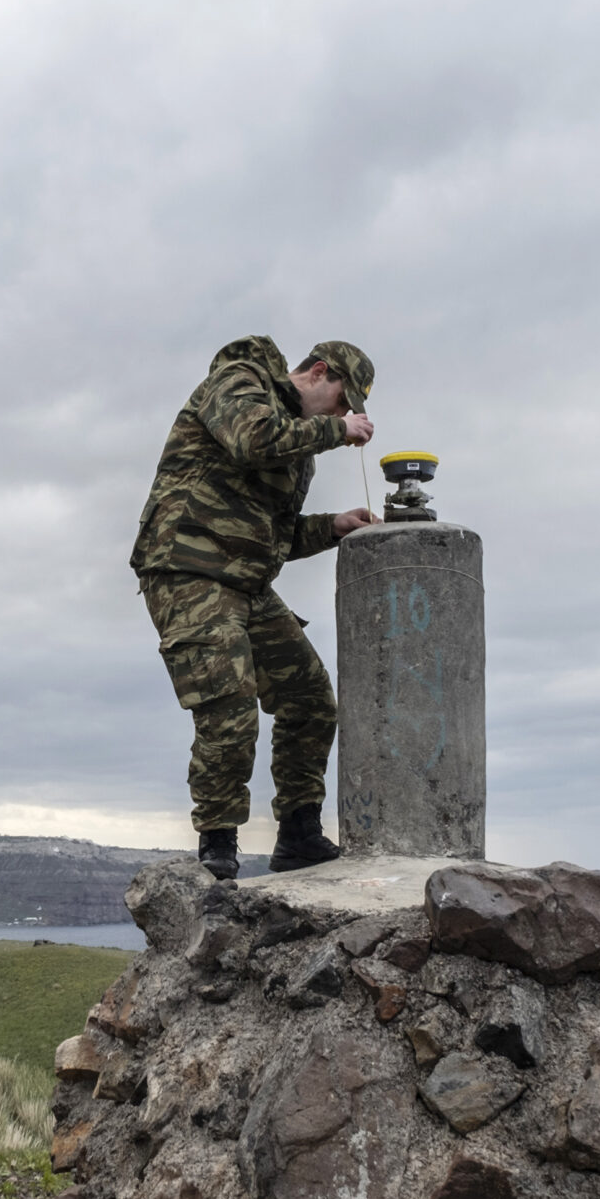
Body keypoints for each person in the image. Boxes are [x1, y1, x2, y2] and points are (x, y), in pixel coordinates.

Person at [131, 336, 378, 880]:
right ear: (318, 373)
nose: (342, 414)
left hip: (245, 582)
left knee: (310, 697)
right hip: (187, 569)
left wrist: (334, 526)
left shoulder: (298, 449)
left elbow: (276, 537)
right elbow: (252, 440)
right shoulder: (241, 380)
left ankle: (299, 835)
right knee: (229, 705)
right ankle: (217, 850)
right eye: (342, 401)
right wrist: (337, 432)